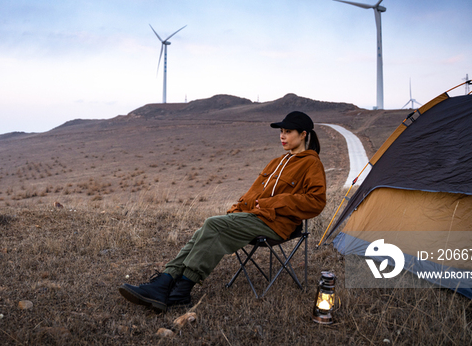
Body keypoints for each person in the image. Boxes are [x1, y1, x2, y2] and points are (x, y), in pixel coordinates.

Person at [118, 111, 327, 312]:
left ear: (303, 135)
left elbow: (316, 202)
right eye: (281, 131)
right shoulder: (277, 162)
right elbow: (252, 194)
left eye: (288, 131)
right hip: (255, 217)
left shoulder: (311, 163)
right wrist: (236, 210)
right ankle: (166, 281)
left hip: (277, 224)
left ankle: (182, 288)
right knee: (205, 230)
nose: (282, 136)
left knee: (213, 224)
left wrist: (274, 203)